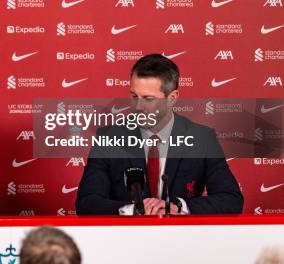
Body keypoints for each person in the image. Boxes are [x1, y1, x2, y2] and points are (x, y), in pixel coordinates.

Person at [76, 54, 243, 215]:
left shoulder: (202, 139)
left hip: (183, 239)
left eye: (148, 99)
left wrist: (177, 206)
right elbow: (87, 202)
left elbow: (231, 199)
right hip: (126, 238)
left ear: (172, 98)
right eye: (134, 96)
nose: (138, 107)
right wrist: (133, 210)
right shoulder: (109, 138)